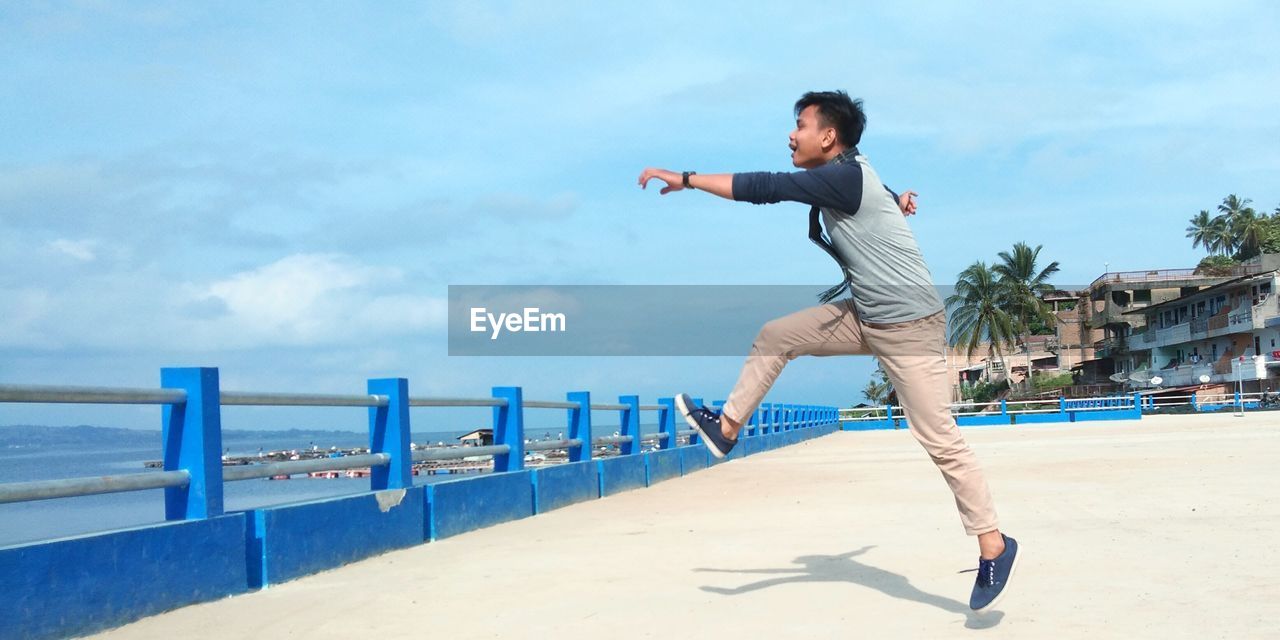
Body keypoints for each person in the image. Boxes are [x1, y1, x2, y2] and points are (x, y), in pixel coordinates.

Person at [638, 90, 1019, 612]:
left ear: (828, 136)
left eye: (799, 125)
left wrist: (685, 178)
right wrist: (898, 202)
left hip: (910, 329)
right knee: (776, 335)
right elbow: (876, 192)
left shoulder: (842, 177)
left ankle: (994, 544)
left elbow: (763, 187)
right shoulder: (853, 174)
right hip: (867, 316)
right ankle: (725, 429)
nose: (791, 135)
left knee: (939, 438)